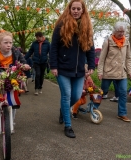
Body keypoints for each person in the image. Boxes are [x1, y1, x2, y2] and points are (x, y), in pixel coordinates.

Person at [50, 0, 95, 138]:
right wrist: (53, 66)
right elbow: (54, 47)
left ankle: (63, 110)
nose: (75, 11)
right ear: (69, 10)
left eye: (78, 9)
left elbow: (90, 48)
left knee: (76, 96)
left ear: (83, 10)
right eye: (73, 8)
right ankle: (68, 126)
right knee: (66, 96)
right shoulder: (61, 26)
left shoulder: (86, 28)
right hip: (62, 69)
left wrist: (92, 65)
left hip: (79, 70)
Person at [97, 21, 131, 122]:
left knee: (122, 93)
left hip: (122, 72)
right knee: (102, 92)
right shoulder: (108, 42)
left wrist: (130, 72)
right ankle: (94, 107)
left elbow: (128, 58)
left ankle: (122, 113)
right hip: (108, 72)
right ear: (114, 31)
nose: (121, 33)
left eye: (123, 31)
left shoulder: (126, 42)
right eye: (119, 31)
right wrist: (100, 72)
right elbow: (102, 59)